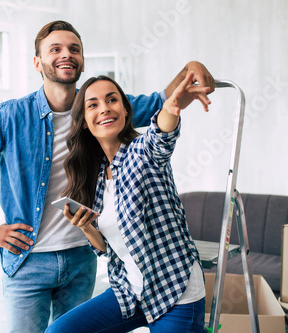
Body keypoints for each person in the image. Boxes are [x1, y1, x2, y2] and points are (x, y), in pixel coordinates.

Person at [0, 20, 214, 333]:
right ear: (37, 62)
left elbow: (164, 107)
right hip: (28, 261)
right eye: (54, 49)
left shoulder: (103, 109)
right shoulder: (10, 116)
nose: (65, 55)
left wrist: (192, 67)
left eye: (74, 49)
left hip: (81, 261)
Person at [45, 72, 210, 333]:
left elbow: (161, 136)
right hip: (131, 291)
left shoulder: (142, 152)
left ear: (124, 110)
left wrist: (170, 108)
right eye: (93, 104)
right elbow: (107, 249)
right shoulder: (98, 176)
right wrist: (86, 226)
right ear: (85, 122)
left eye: (112, 100)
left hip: (175, 291)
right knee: (59, 331)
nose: (105, 109)